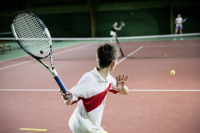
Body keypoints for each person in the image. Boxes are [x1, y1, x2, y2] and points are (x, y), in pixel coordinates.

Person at [60, 43, 129, 133]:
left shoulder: (108, 79)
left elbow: (126, 92)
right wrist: (67, 98)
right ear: (113, 63)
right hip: (84, 126)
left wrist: (121, 88)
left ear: (97, 59)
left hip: (90, 125)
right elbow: (69, 100)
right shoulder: (89, 79)